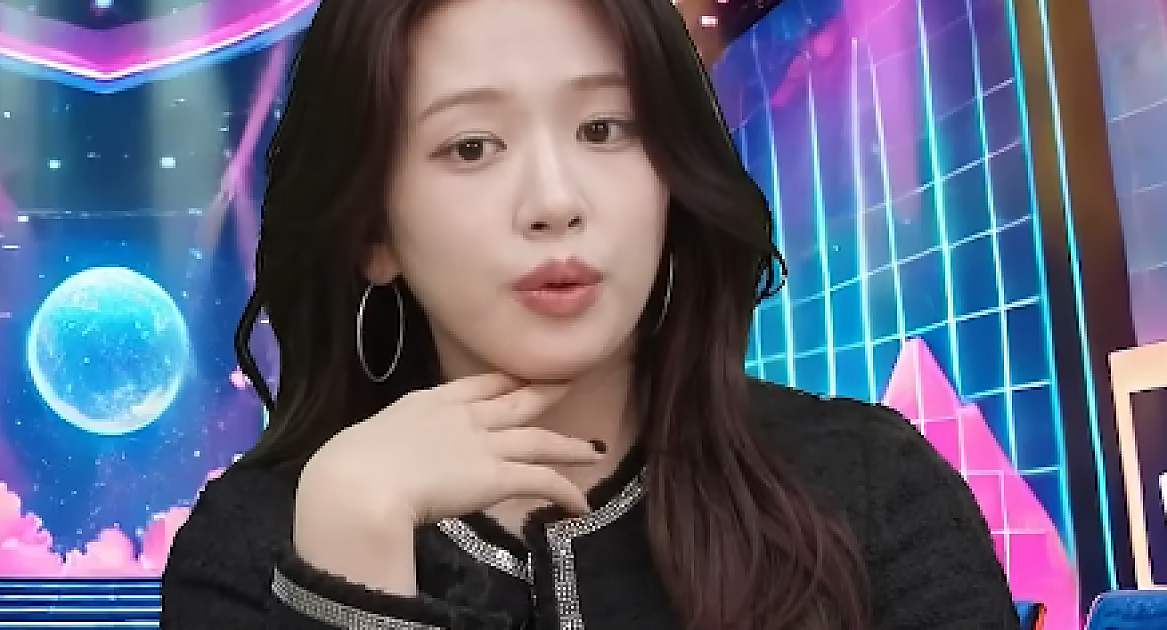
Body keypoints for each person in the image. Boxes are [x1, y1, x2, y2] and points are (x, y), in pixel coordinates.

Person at [160, 0, 1021, 628]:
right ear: (372, 232)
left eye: (606, 129)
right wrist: (354, 561)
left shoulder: (869, 490)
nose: (555, 201)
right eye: (471, 146)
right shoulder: (253, 546)